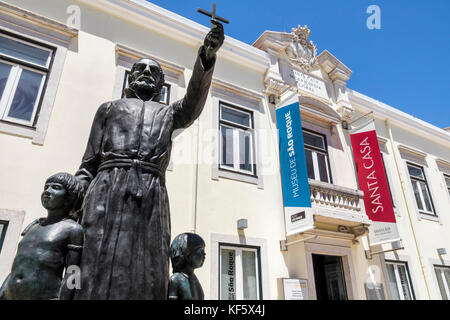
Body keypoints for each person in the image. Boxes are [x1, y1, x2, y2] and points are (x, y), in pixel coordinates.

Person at [73, 22, 224, 300]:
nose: (145, 73)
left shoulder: (168, 113)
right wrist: (70, 204)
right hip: (106, 188)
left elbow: (192, 104)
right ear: (129, 79)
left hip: (151, 192)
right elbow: (88, 163)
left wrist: (206, 57)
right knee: (97, 256)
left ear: (161, 84)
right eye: (139, 69)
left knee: (148, 261)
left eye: (153, 72)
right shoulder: (108, 109)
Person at [0, 172, 84, 300]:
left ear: (69, 197)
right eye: (46, 187)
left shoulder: (72, 229)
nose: (47, 191)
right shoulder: (34, 225)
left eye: (55, 188)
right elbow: (18, 265)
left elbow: (73, 272)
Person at [168, 233, 206, 300]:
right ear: (187, 255)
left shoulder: (194, 278)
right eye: (200, 250)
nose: (204, 254)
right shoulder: (176, 279)